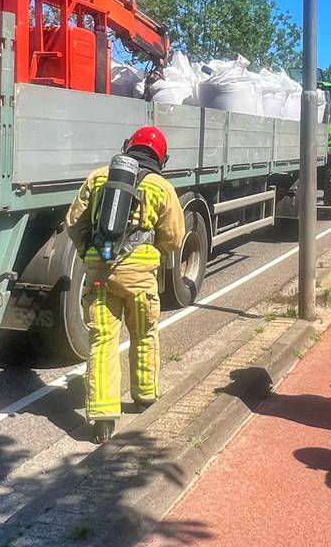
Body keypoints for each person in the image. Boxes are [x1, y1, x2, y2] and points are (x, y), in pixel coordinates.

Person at [65, 126, 186, 444]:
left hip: (99, 272)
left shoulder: (98, 177)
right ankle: (144, 395)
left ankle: (103, 419)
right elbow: (174, 238)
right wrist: (153, 251)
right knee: (143, 333)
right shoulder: (161, 186)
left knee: (102, 340)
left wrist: (88, 252)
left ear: (128, 147)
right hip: (139, 276)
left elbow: (74, 221)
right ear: (161, 157)